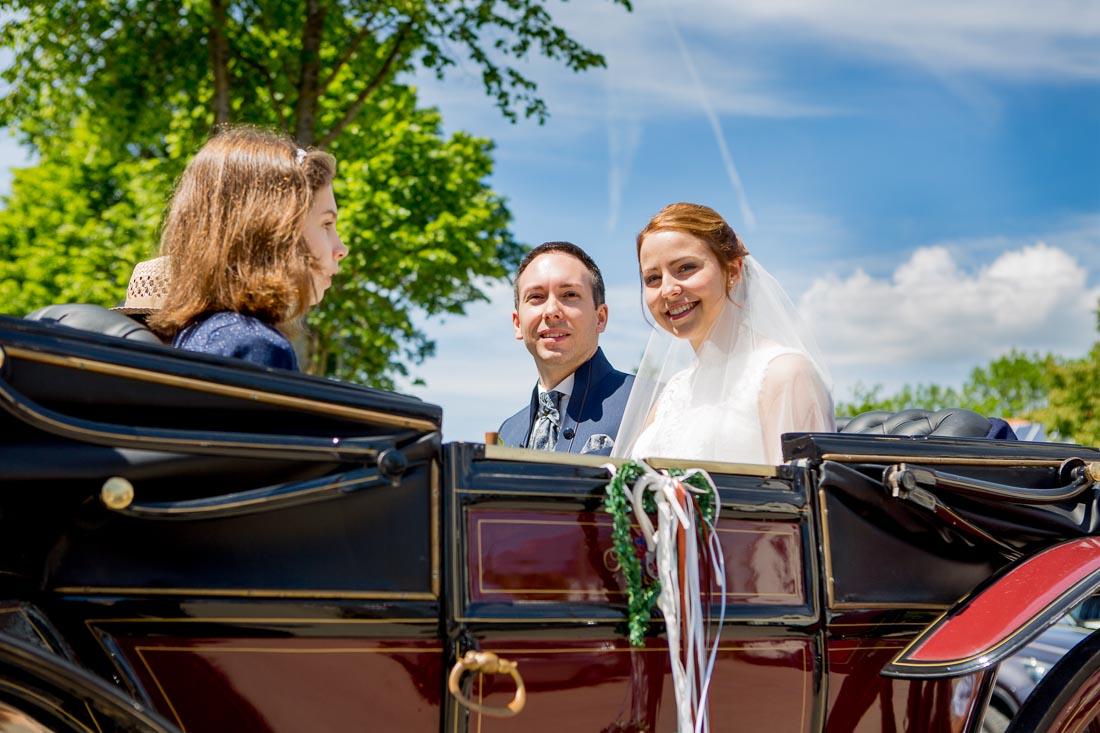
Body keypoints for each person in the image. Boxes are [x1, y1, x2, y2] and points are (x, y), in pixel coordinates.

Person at [614, 203, 834, 465]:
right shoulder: (673, 392)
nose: (668, 290)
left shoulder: (785, 374)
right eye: (652, 278)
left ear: (733, 271)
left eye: (685, 267)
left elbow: (801, 489)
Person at [148, 126, 347, 370]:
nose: (341, 249)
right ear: (272, 227)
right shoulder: (256, 345)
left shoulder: (198, 334)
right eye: (326, 224)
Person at [499, 242, 634, 455]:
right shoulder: (508, 432)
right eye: (536, 297)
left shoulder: (644, 403)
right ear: (517, 324)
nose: (551, 311)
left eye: (570, 295)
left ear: (600, 318)